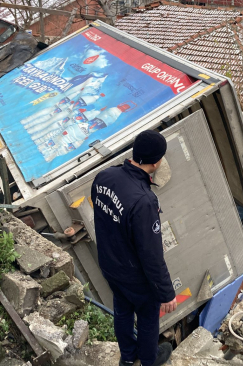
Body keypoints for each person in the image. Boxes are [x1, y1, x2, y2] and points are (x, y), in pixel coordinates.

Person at [92, 130, 177, 366]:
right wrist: (166, 293)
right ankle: (149, 361)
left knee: (122, 311)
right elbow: (151, 255)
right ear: (157, 161)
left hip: (110, 266)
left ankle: (128, 359)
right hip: (135, 276)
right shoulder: (144, 201)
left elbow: (103, 219)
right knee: (148, 319)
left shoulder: (104, 177)